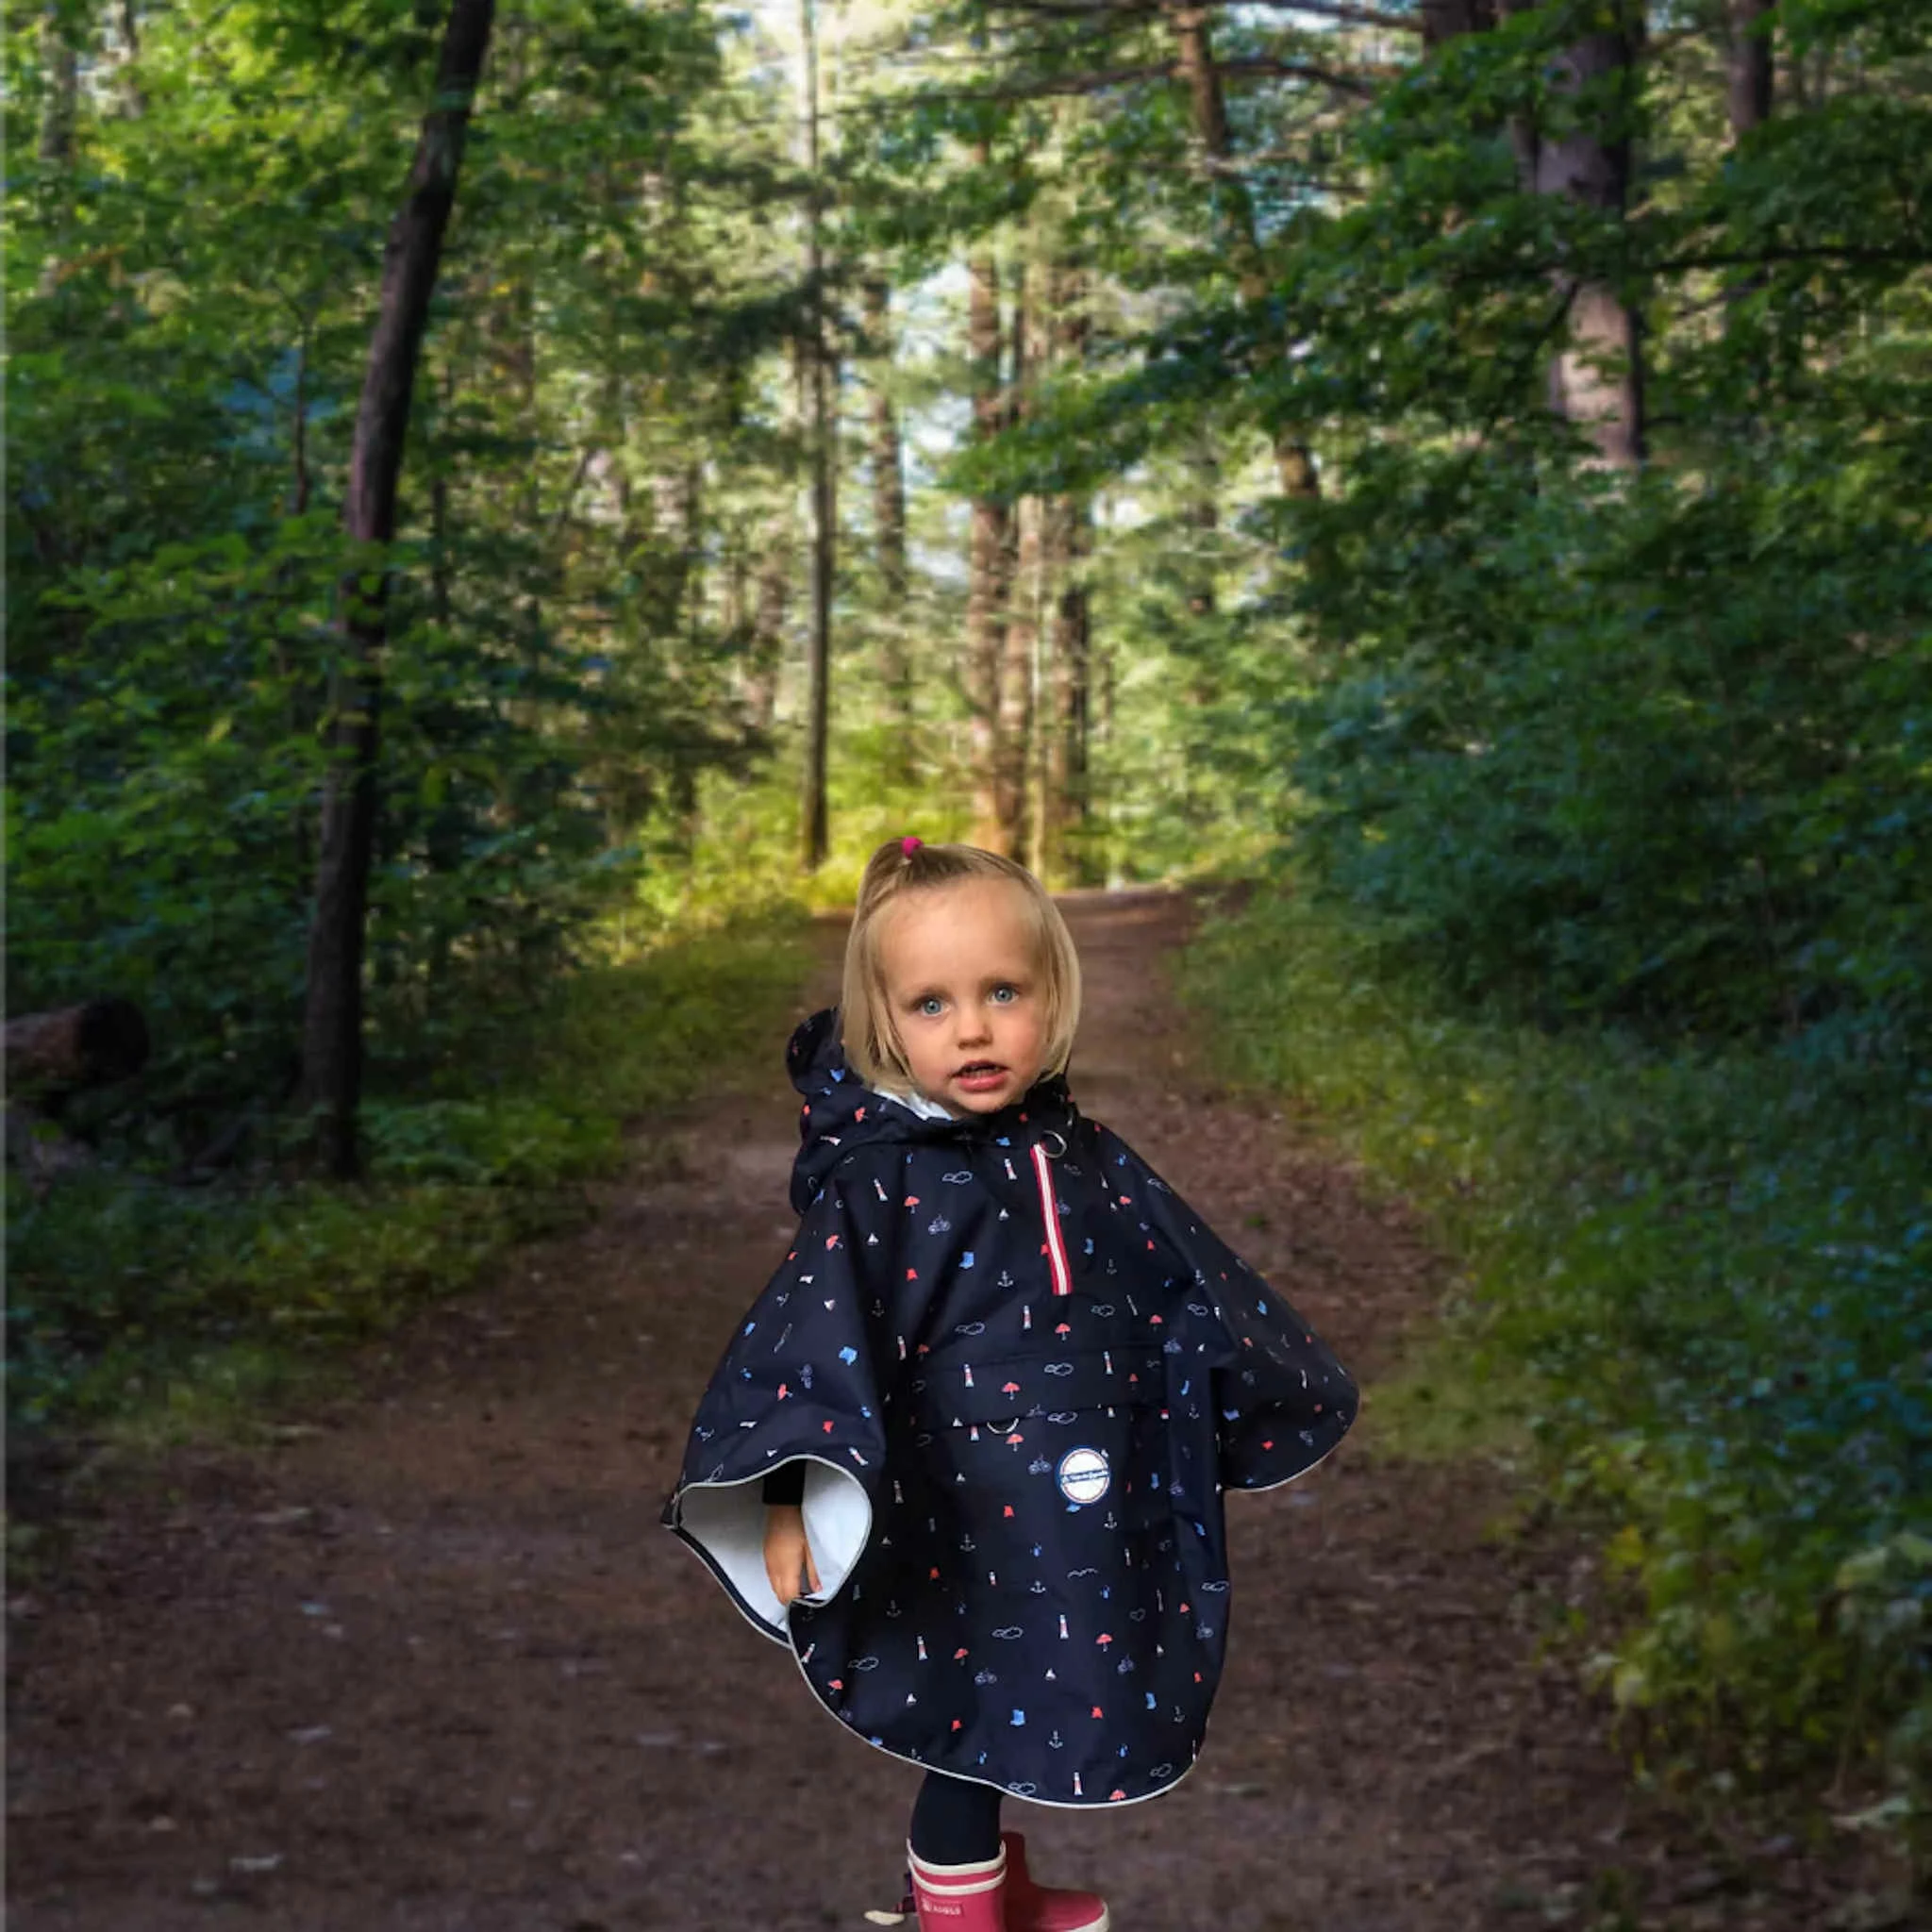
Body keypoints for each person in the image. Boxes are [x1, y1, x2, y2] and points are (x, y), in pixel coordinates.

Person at [661, 838, 1357, 1932]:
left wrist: (1236, 1386)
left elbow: (1182, 1280)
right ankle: (955, 1903)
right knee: (974, 1679)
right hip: (961, 1501)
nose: (973, 1027)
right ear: (886, 1023)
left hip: (1079, 1492)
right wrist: (791, 1492)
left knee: (1056, 1673)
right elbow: (810, 1345)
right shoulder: (884, 1186)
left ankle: (983, 1870)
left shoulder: (1080, 1152)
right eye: (931, 1003)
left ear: (1051, 994)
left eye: (1000, 991)